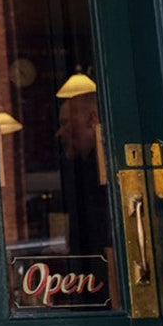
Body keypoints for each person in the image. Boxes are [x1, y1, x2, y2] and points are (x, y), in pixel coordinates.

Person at [55, 92, 111, 256]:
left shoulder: (108, 172)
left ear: (93, 120)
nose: (59, 133)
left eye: (65, 123)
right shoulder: (80, 170)